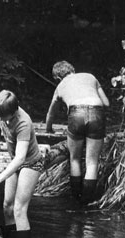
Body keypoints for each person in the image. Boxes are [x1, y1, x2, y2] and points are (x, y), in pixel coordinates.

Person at [0, 90, 43, 238]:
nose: (1, 120)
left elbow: (21, 158)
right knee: (7, 206)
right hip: (15, 160)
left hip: (30, 163)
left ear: (14, 111)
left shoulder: (23, 123)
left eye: (4, 117)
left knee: (19, 208)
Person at [44, 61, 110, 203]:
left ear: (57, 77)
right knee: (92, 162)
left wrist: (49, 128)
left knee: (75, 159)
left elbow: (51, 113)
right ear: (72, 69)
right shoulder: (90, 77)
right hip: (97, 113)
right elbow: (106, 103)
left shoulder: (60, 86)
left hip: (76, 114)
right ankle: (87, 202)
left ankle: (76, 200)